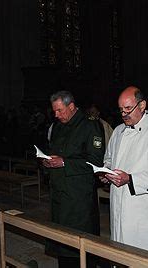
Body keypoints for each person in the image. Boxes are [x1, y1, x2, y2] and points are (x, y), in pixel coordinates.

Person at [101, 86, 148, 255]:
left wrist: (131, 179)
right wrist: (106, 171)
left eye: (128, 108)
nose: (124, 114)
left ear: (142, 105)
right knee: (120, 254)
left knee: (144, 257)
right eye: (121, 110)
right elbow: (109, 158)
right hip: (119, 203)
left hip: (145, 208)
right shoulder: (118, 131)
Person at [41, 91, 105, 267]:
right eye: (54, 111)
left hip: (78, 198)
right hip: (60, 194)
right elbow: (57, 152)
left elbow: (95, 162)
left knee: (80, 246)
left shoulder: (90, 126)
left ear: (71, 106)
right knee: (63, 244)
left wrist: (64, 163)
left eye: (60, 110)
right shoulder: (59, 126)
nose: (56, 115)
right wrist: (48, 161)